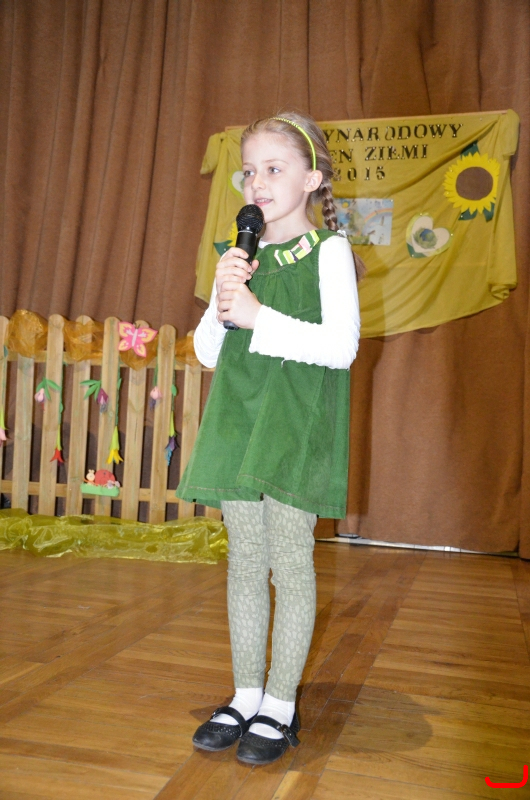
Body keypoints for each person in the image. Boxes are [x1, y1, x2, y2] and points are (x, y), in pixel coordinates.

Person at [177, 111, 362, 766]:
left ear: (311, 179)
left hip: (294, 423)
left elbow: (340, 348)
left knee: (290, 560)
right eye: (249, 171)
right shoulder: (241, 255)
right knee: (245, 562)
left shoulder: (328, 251)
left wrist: (259, 314)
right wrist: (226, 293)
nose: (257, 182)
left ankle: (281, 704)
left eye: (274, 168)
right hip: (239, 418)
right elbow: (207, 352)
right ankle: (245, 694)